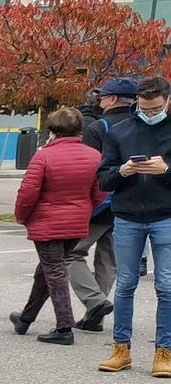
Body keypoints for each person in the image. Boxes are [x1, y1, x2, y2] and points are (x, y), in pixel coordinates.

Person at [95, 72, 171, 377]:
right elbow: (103, 179)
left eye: (155, 109)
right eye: (144, 108)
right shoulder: (119, 132)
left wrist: (166, 170)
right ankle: (120, 349)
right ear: (137, 103)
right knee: (125, 284)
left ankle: (163, 352)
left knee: (166, 286)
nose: (150, 114)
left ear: (168, 102)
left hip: (166, 216)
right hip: (127, 217)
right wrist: (124, 171)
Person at [10, 104, 98, 345]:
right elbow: (99, 192)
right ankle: (25, 319)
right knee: (47, 271)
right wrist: (86, 209)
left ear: (53, 129)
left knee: (54, 271)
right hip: (77, 221)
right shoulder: (94, 156)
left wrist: (21, 215)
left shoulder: (44, 156)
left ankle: (64, 327)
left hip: (48, 222)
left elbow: (28, 192)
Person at [72, 76, 135, 329]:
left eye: (103, 95)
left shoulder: (98, 128)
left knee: (71, 253)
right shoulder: (139, 127)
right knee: (108, 258)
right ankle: (93, 314)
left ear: (113, 99)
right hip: (127, 204)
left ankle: (95, 301)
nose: (100, 100)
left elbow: (88, 167)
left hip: (100, 201)